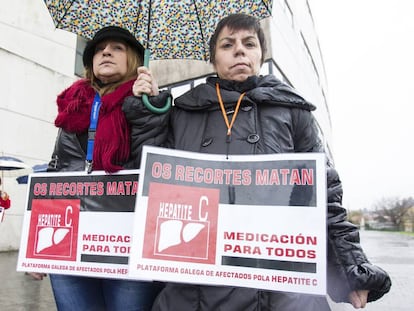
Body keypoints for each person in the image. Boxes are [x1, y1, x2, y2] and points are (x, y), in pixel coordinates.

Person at [150, 14, 391, 311]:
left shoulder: (294, 111)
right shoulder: (181, 112)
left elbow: (324, 196)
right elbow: (154, 186)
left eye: (249, 43)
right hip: (196, 284)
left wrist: (349, 268)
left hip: (280, 286)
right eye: (228, 44)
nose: (240, 50)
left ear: (261, 55)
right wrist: (144, 110)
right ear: (213, 58)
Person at [46, 25, 169, 311]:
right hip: (70, 243)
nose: (106, 52)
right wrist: (36, 251)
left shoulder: (148, 103)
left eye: (117, 48)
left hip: (127, 244)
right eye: (99, 49)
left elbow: (153, 170)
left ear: (134, 61)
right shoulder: (71, 108)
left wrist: (145, 109)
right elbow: (55, 173)